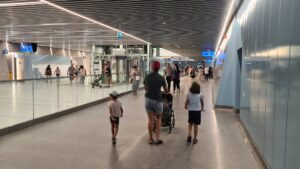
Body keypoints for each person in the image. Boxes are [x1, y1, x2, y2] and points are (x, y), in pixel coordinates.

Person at [143, 60, 168, 145]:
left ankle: (150, 139)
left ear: (152, 67)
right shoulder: (161, 78)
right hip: (158, 101)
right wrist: (160, 92)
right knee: (159, 119)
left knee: (150, 120)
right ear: (159, 68)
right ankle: (157, 137)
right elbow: (166, 91)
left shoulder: (147, 77)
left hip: (148, 100)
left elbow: (146, 88)